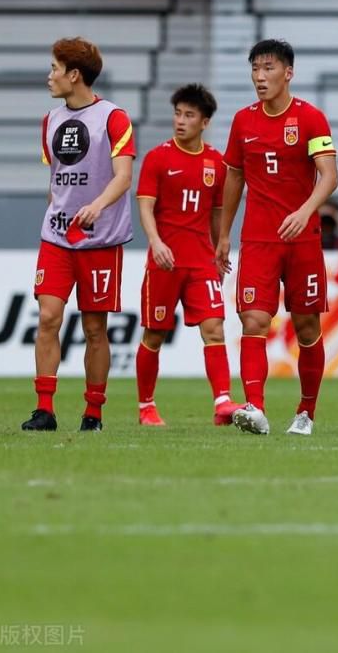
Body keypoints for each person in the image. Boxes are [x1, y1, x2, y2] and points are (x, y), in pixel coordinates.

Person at [216, 39, 338, 436]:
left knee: (306, 326)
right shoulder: (243, 121)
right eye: (255, 69)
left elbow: (330, 175)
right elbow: (233, 177)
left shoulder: (311, 118)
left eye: (268, 68)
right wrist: (223, 235)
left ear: (288, 73)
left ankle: (306, 411)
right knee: (253, 319)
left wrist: (305, 211)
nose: (259, 77)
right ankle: (255, 406)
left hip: (303, 239)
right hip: (258, 239)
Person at [23, 37, 135, 432]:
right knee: (48, 317)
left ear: (74, 75)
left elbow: (124, 176)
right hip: (56, 239)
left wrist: (97, 206)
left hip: (101, 240)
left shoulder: (113, 118)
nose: (49, 76)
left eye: (55, 68)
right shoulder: (50, 121)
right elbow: (56, 180)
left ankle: (94, 412)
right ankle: (44, 410)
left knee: (93, 328)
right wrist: (62, 209)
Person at [134, 84, 241, 427]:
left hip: (201, 262)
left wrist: (221, 243)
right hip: (164, 262)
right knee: (154, 334)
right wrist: (156, 242)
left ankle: (222, 403)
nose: (180, 121)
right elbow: (145, 207)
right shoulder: (157, 158)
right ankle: (146, 407)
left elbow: (216, 211)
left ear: (205, 122)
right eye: (177, 113)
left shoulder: (216, 163)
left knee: (214, 327)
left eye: (189, 115)